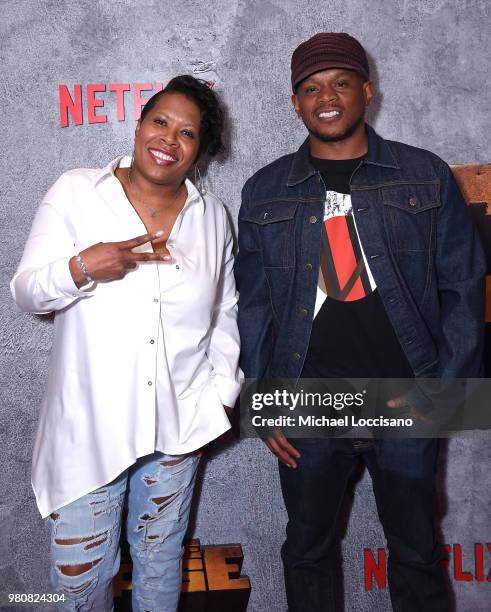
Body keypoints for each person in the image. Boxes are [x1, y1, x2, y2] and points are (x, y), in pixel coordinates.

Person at [235, 33, 485, 612]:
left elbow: (464, 287)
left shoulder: (423, 175)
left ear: (367, 91)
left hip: (405, 395)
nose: (327, 97)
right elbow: (253, 304)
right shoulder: (265, 189)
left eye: (341, 83)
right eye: (311, 88)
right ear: (295, 103)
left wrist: (442, 392)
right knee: (307, 553)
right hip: (307, 401)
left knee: (417, 552)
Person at [11, 75, 241, 612]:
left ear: (201, 151)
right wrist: (82, 267)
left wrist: (221, 397)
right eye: (160, 122)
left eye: (187, 133)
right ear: (138, 125)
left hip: (177, 431)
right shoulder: (77, 191)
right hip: (91, 432)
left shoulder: (212, 218)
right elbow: (26, 292)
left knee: (160, 568)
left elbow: (226, 314)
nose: (169, 139)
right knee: (79, 585)